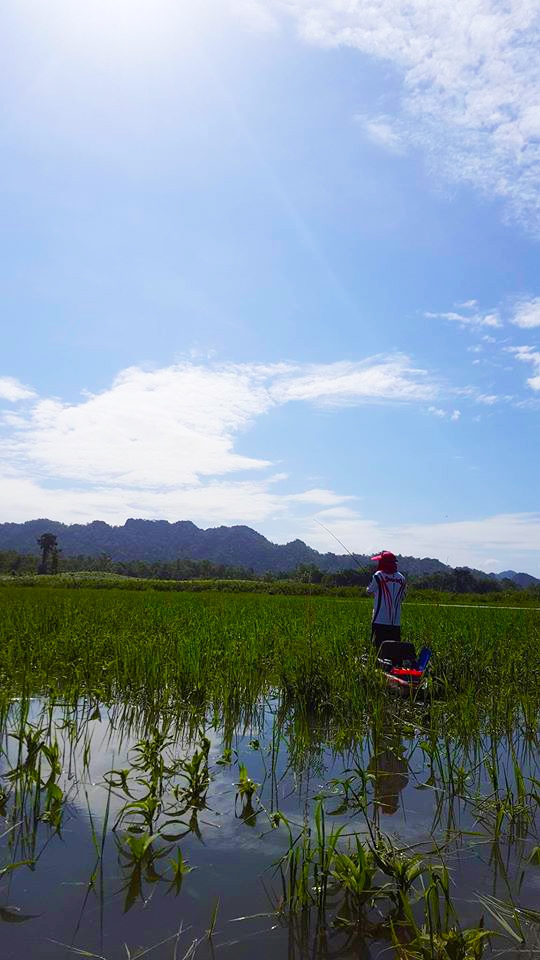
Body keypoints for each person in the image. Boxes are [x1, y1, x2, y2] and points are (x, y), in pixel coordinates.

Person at [367, 551, 406, 649]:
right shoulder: (402, 578)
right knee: (394, 651)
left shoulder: (378, 575)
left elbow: (369, 591)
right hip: (396, 623)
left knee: (378, 650)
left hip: (379, 621)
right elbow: (403, 596)